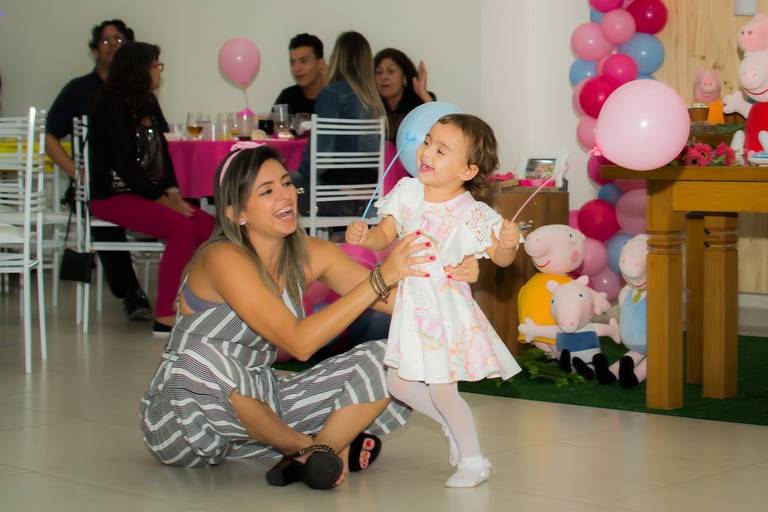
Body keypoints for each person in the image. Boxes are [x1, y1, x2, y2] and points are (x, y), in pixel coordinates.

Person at [138, 143, 481, 489]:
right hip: (183, 417)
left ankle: (314, 458)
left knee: (386, 358)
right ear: (237, 213)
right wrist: (381, 276)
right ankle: (314, 447)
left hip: (263, 403)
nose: (285, 196)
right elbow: (299, 343)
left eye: (287, 184)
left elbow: (400, 304)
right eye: (267, 191)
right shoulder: (222, 258)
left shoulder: (311, 253)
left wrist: (453, 277)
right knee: (198, 359)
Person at [345, 114, 523, 488]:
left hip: (446, 312)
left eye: (442, 150)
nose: (427, 153)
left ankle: (474, 459)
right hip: (412, 309)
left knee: (443, 388)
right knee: (399, 383)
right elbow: (384, 236)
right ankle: (452, 427)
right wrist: (365, 237)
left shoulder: (472, 212)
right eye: (427, 142)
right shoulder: (408, 192)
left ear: (468, 169)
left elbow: (502, 258)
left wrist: (506, 245)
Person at [88, 42, 214, 336]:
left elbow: (164, 153)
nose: (159, 70)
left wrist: (171, 192)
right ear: (141, 69)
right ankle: (165, 316)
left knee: (208, 226)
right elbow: (123, 164)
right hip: (113, 196)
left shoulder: (148, 102)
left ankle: (198, 302)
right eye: (156, 64)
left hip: (146, 193)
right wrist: (160, 199)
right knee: (182, 228)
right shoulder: (109, 104)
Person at [45, 20, 151, 321]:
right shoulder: (79, 89)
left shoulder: (139, 92)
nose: (113, 45)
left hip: (135, 182)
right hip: (95, 185)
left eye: (119, 39)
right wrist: (76, 173)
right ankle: (131, 292)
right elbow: (50, 137)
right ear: (94, 51)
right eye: (106, 41)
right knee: (105, 214)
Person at [296, 31, 388, 217]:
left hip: (333, 196)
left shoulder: (332, 94)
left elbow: (319, 154)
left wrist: (301, 174)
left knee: (287, 181)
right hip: (369, 195)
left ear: (336, 58)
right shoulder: (374, 101)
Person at [374, 48, 435, 140]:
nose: (384, 77)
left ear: (404, 77)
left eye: (391, 71)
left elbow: (442, 126)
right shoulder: (370, 105)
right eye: (379, 72)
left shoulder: (420, 102)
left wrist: (423, 93)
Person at [273, 33, 325, 115]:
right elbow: (272, 127)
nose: (297, 68)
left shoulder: (336, 98)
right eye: (292, 63)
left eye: (304, 61)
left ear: (320, 63)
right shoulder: (287, 97)